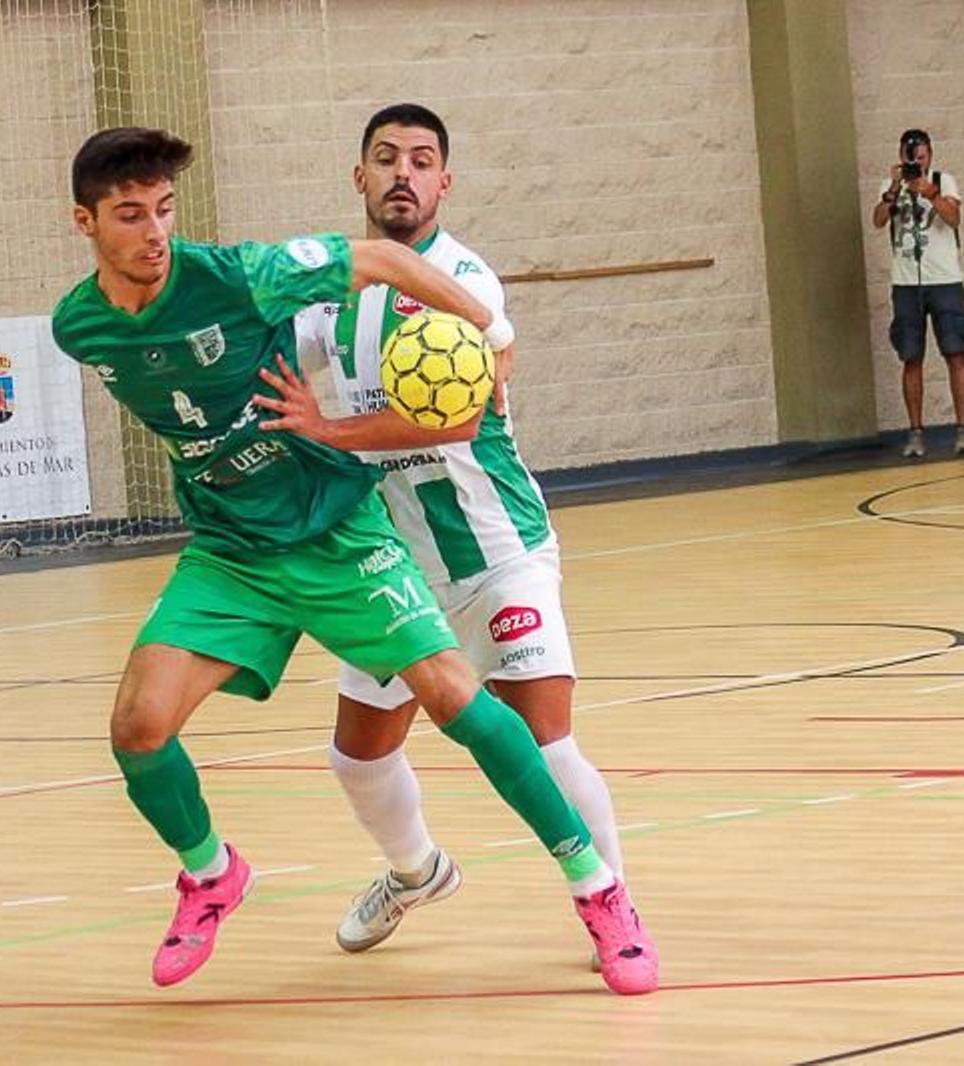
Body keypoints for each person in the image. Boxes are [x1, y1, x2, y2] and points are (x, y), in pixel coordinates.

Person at [51, 127, 656, 995]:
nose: (154, 232)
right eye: (131, 215)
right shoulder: (79, 327)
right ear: (87, 223)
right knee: (142, 728)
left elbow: (379, 268)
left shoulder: (242, 273)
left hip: (366, 534)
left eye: (165, 211)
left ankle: (601, 892)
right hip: (232, 550)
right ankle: (220, 873)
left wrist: (485, 331)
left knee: (477, 709)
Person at [255, 103, 631, 970]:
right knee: (357, 757)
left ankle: (613, 904)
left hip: (497, 553)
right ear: (360, 177)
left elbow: (451, 420)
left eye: (421, 161)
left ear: (444, 182)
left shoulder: (468, 282)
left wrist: (327, 431)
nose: (403, 174)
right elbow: (284, 401)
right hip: (391, 568)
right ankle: (415, 871)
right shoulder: (320, 304)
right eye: (385, 158)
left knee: (546, 741)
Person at [871, 128, 964, 458]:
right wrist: (893, 189)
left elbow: (953, 217)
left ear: (930, 153)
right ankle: (916, 431)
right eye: (910, 155)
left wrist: (929, 192)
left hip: (944, 280)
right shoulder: (893, 188)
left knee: (955, 351)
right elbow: (877, 221)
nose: (917, 160)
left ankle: (962, 429)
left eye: (922, 154)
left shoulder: (944, 182)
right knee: (911, 355)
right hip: (906, 283)